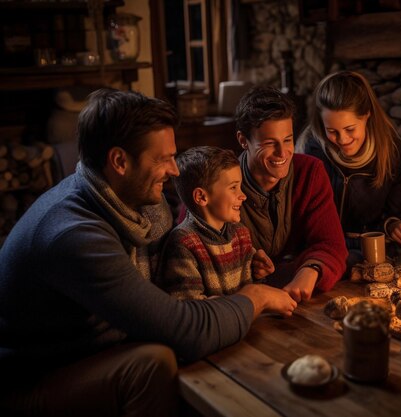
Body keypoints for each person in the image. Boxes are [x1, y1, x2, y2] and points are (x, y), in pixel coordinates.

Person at [0, 88, 296, 417]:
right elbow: (184, 330)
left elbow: (170, 277)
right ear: (119, 161)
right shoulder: (75, 236)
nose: (174, 170)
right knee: (153, 363)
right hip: (33, 379)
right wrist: (255, 297)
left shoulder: (140, 206)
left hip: (98, 347)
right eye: (162, 159)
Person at [296, 70, 401, 265]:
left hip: (370, 256)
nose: (342, 140)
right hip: (319, 251)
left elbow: (396, 217)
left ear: (367, 115)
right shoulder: (311, 148)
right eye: (332, 131)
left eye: (350, 129)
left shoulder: (398, 155)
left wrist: (395, 226)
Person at [234, 86, 348, 302]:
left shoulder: (310, 172)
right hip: (240, 302)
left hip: (294, 298)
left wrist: (311, 269)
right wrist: (245, 265)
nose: (282, 153)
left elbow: (332, 245)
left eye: (287, 140)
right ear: (243, 140)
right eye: (269, 143)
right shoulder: (215, 180)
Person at [157, 146, 275, 299]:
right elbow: (191, 309)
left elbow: (251, 292)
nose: (243, 196)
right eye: (233, 187)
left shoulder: (240, 234)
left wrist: (259, 274)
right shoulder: (184, 244)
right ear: (201, 197)